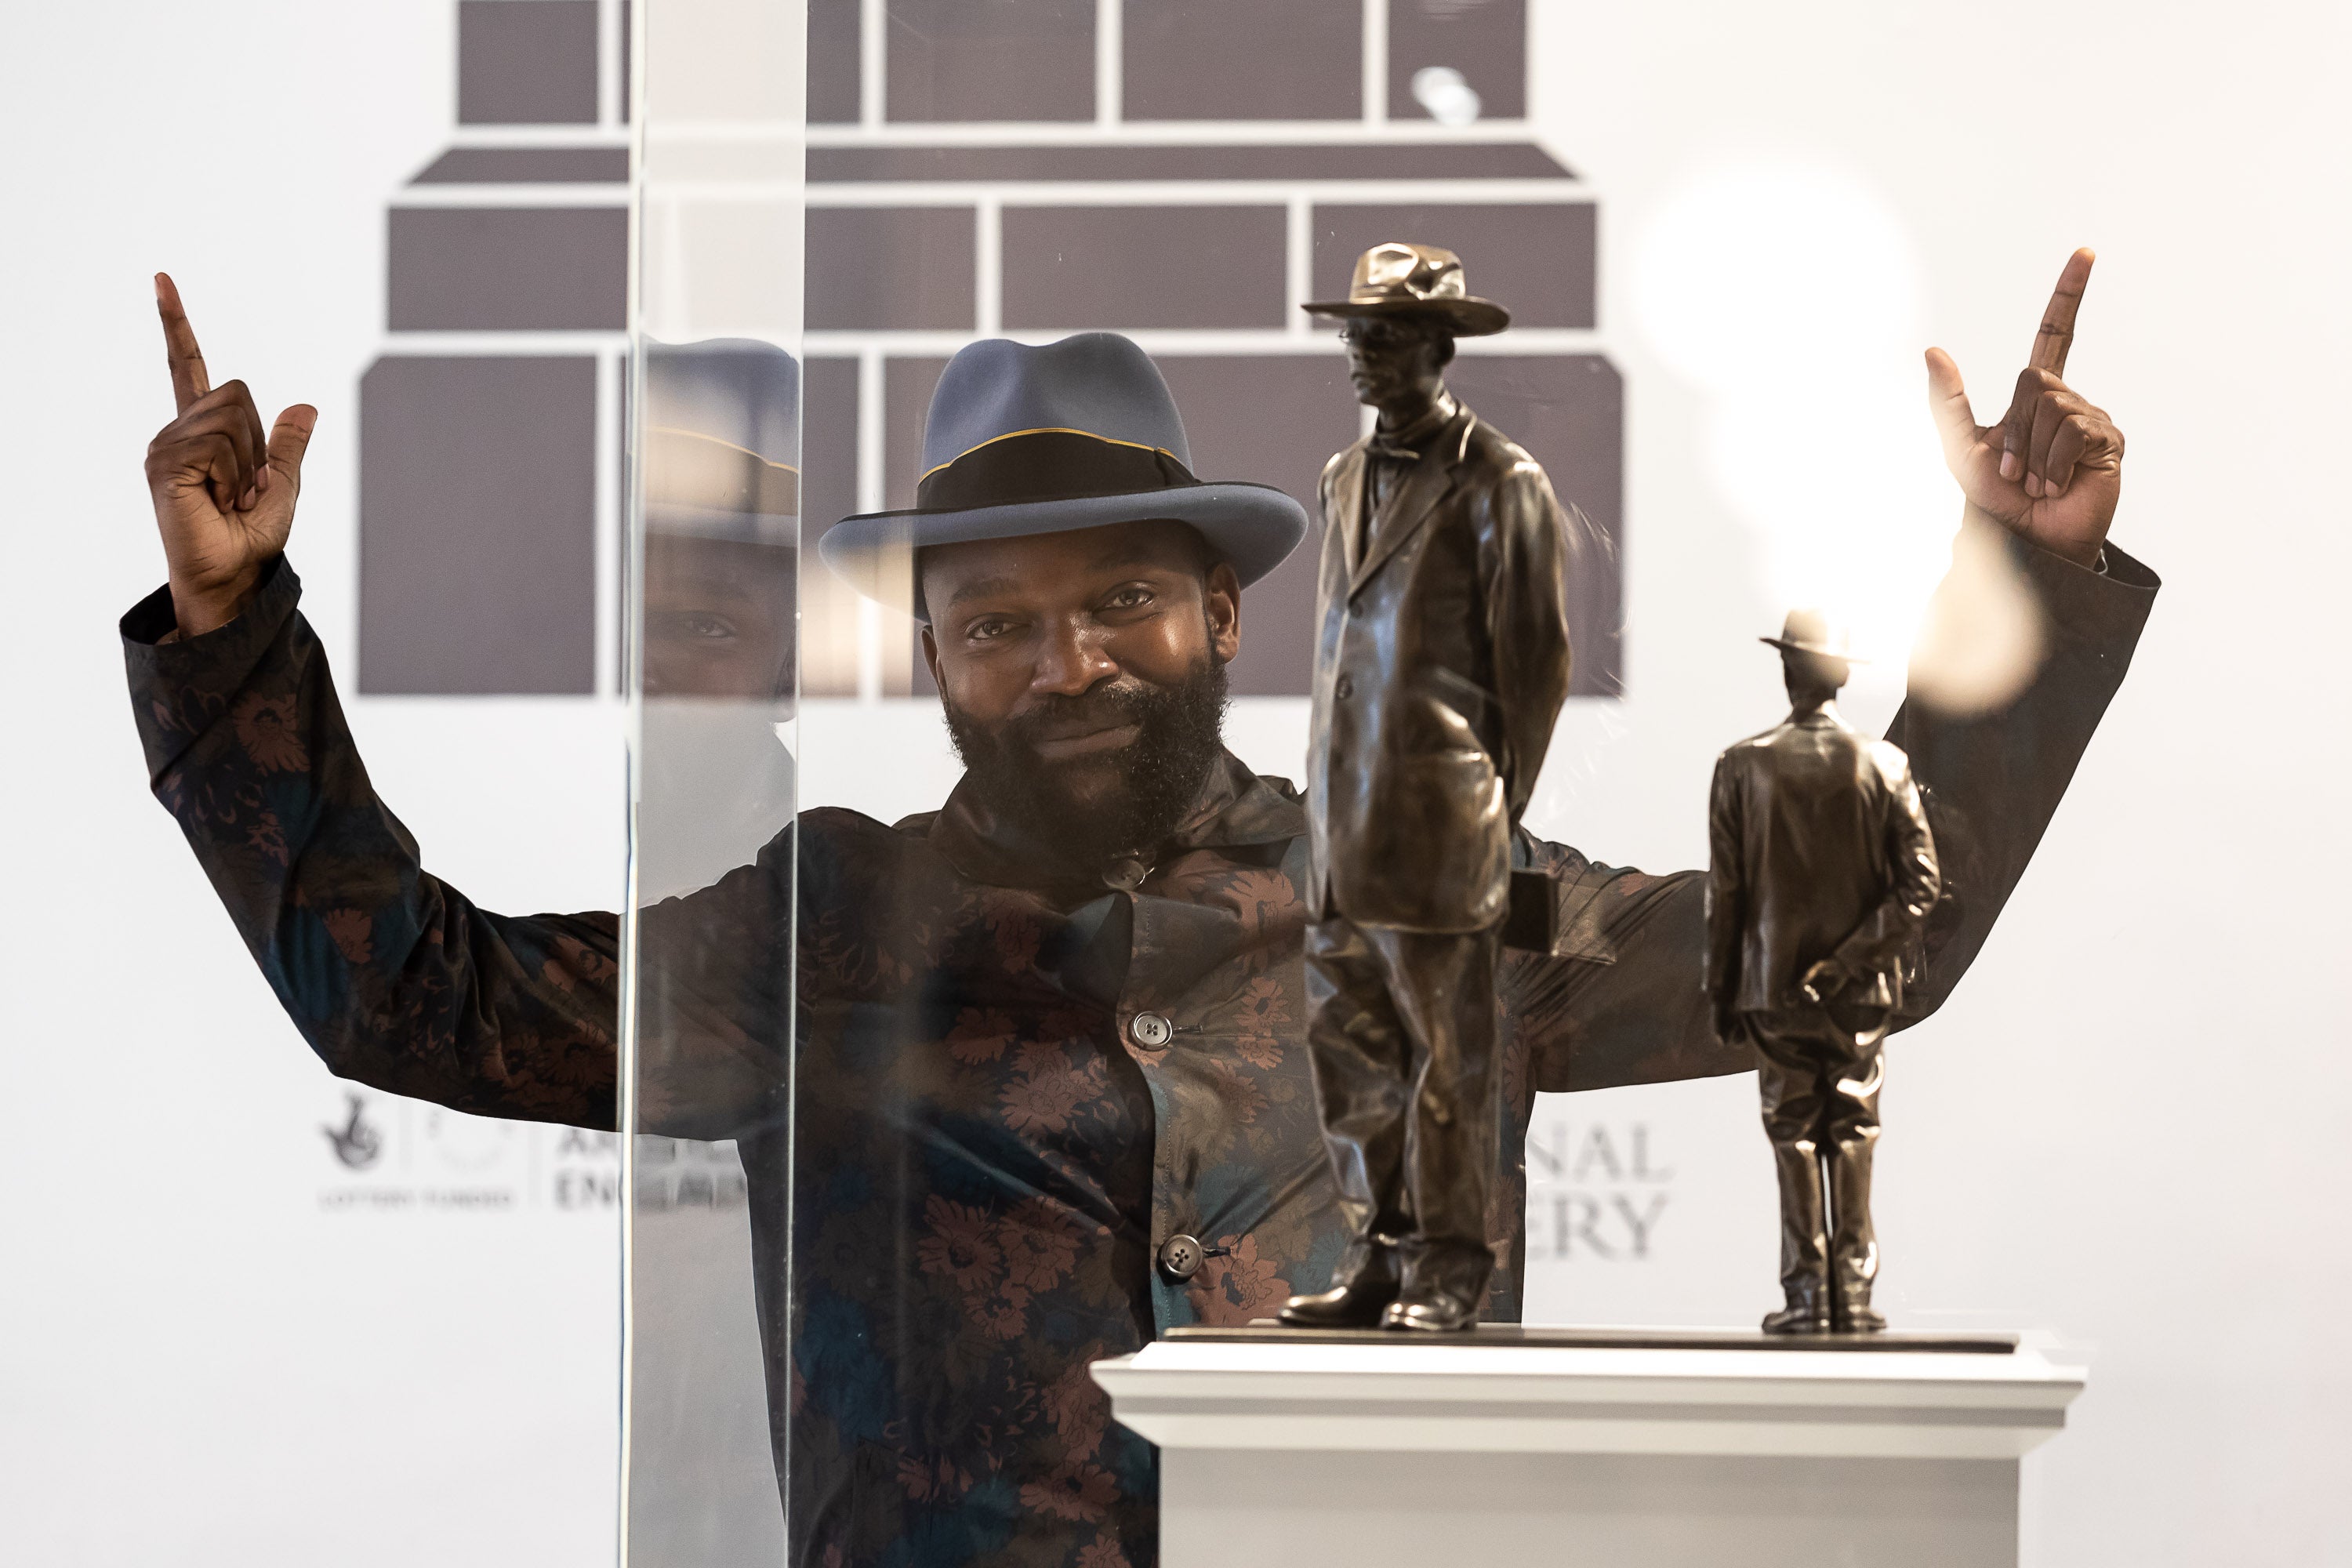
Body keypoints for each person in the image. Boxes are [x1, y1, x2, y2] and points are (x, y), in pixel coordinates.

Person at [127, 247, 2153, 1566]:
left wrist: (2024, 581)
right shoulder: (824, 927)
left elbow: (1850, 956)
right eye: (997, 623)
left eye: (1115, 602)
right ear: (930, 656)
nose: (1066, 660)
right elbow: (407, 994)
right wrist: (232, 624)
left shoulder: (1429, 892)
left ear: (1220, 613)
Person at [1280, 242, 1585, 1333]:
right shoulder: (1341, 477)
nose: (1364, 353)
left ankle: (1453, 1266)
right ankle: (1379, 1256)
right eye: (1356, 335)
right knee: (1352, 1055)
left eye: (1388, 336)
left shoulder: (1502, 482)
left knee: (1451, 1065)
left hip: (1445, 828)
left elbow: (1536, 670)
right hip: (1344, 830)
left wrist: (1493, 809)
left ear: (1439, 348)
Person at [1706, 611, 1942, 1334]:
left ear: (1787, 672)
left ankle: (1810, 1294)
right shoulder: (1885, 767)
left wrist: (1721, 991)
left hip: (1773, 986)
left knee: (1795, 1134)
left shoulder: (1743, 766)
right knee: (1854, 1130)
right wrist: (1852, 961)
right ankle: (1854, 1293)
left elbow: (1728, 898)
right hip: (1861, 991)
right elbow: (1921, 885)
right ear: (1841, 677)